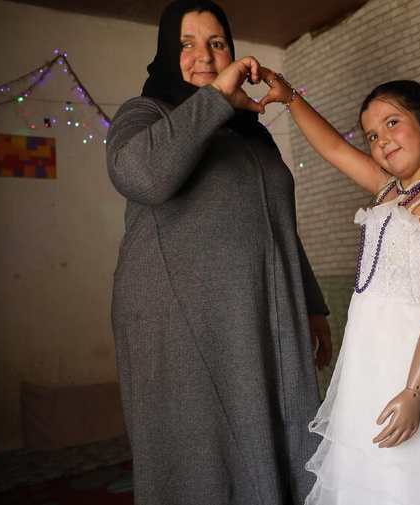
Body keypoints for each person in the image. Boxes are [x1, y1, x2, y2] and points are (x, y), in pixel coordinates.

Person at [105, 1, 332, 503]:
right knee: (199, 455)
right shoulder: (143, 114)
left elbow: (278, 223)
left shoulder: (252, 134)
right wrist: (215, 101)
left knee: (279, 435)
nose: (204, 56)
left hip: (257, 311)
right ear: (167, 52)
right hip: (180, 320)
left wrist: (312, 302)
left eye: (216, 43)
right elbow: (145, 177)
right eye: (186, 44)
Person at [256, 75, 420, 503]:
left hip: (415, 364)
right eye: (373, 134)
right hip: (369, 362)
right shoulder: (391, 190)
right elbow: (336, 149)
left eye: (393, 123)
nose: (381, 141)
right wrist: (289, 97)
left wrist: (415, 392)